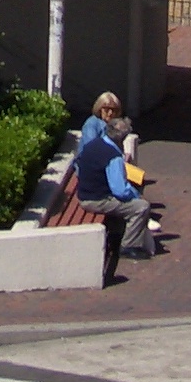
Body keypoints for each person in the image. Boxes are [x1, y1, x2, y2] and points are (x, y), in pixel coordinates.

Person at [73, 99, 154, 284]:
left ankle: (119, 234)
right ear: (121, 137)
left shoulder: (95, 145)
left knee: (128, 203)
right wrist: (136, 195)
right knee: (140, 207)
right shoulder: (113, 157)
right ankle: (129, 246)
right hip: (95, 200)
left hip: (85, 193)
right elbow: (119, 190)